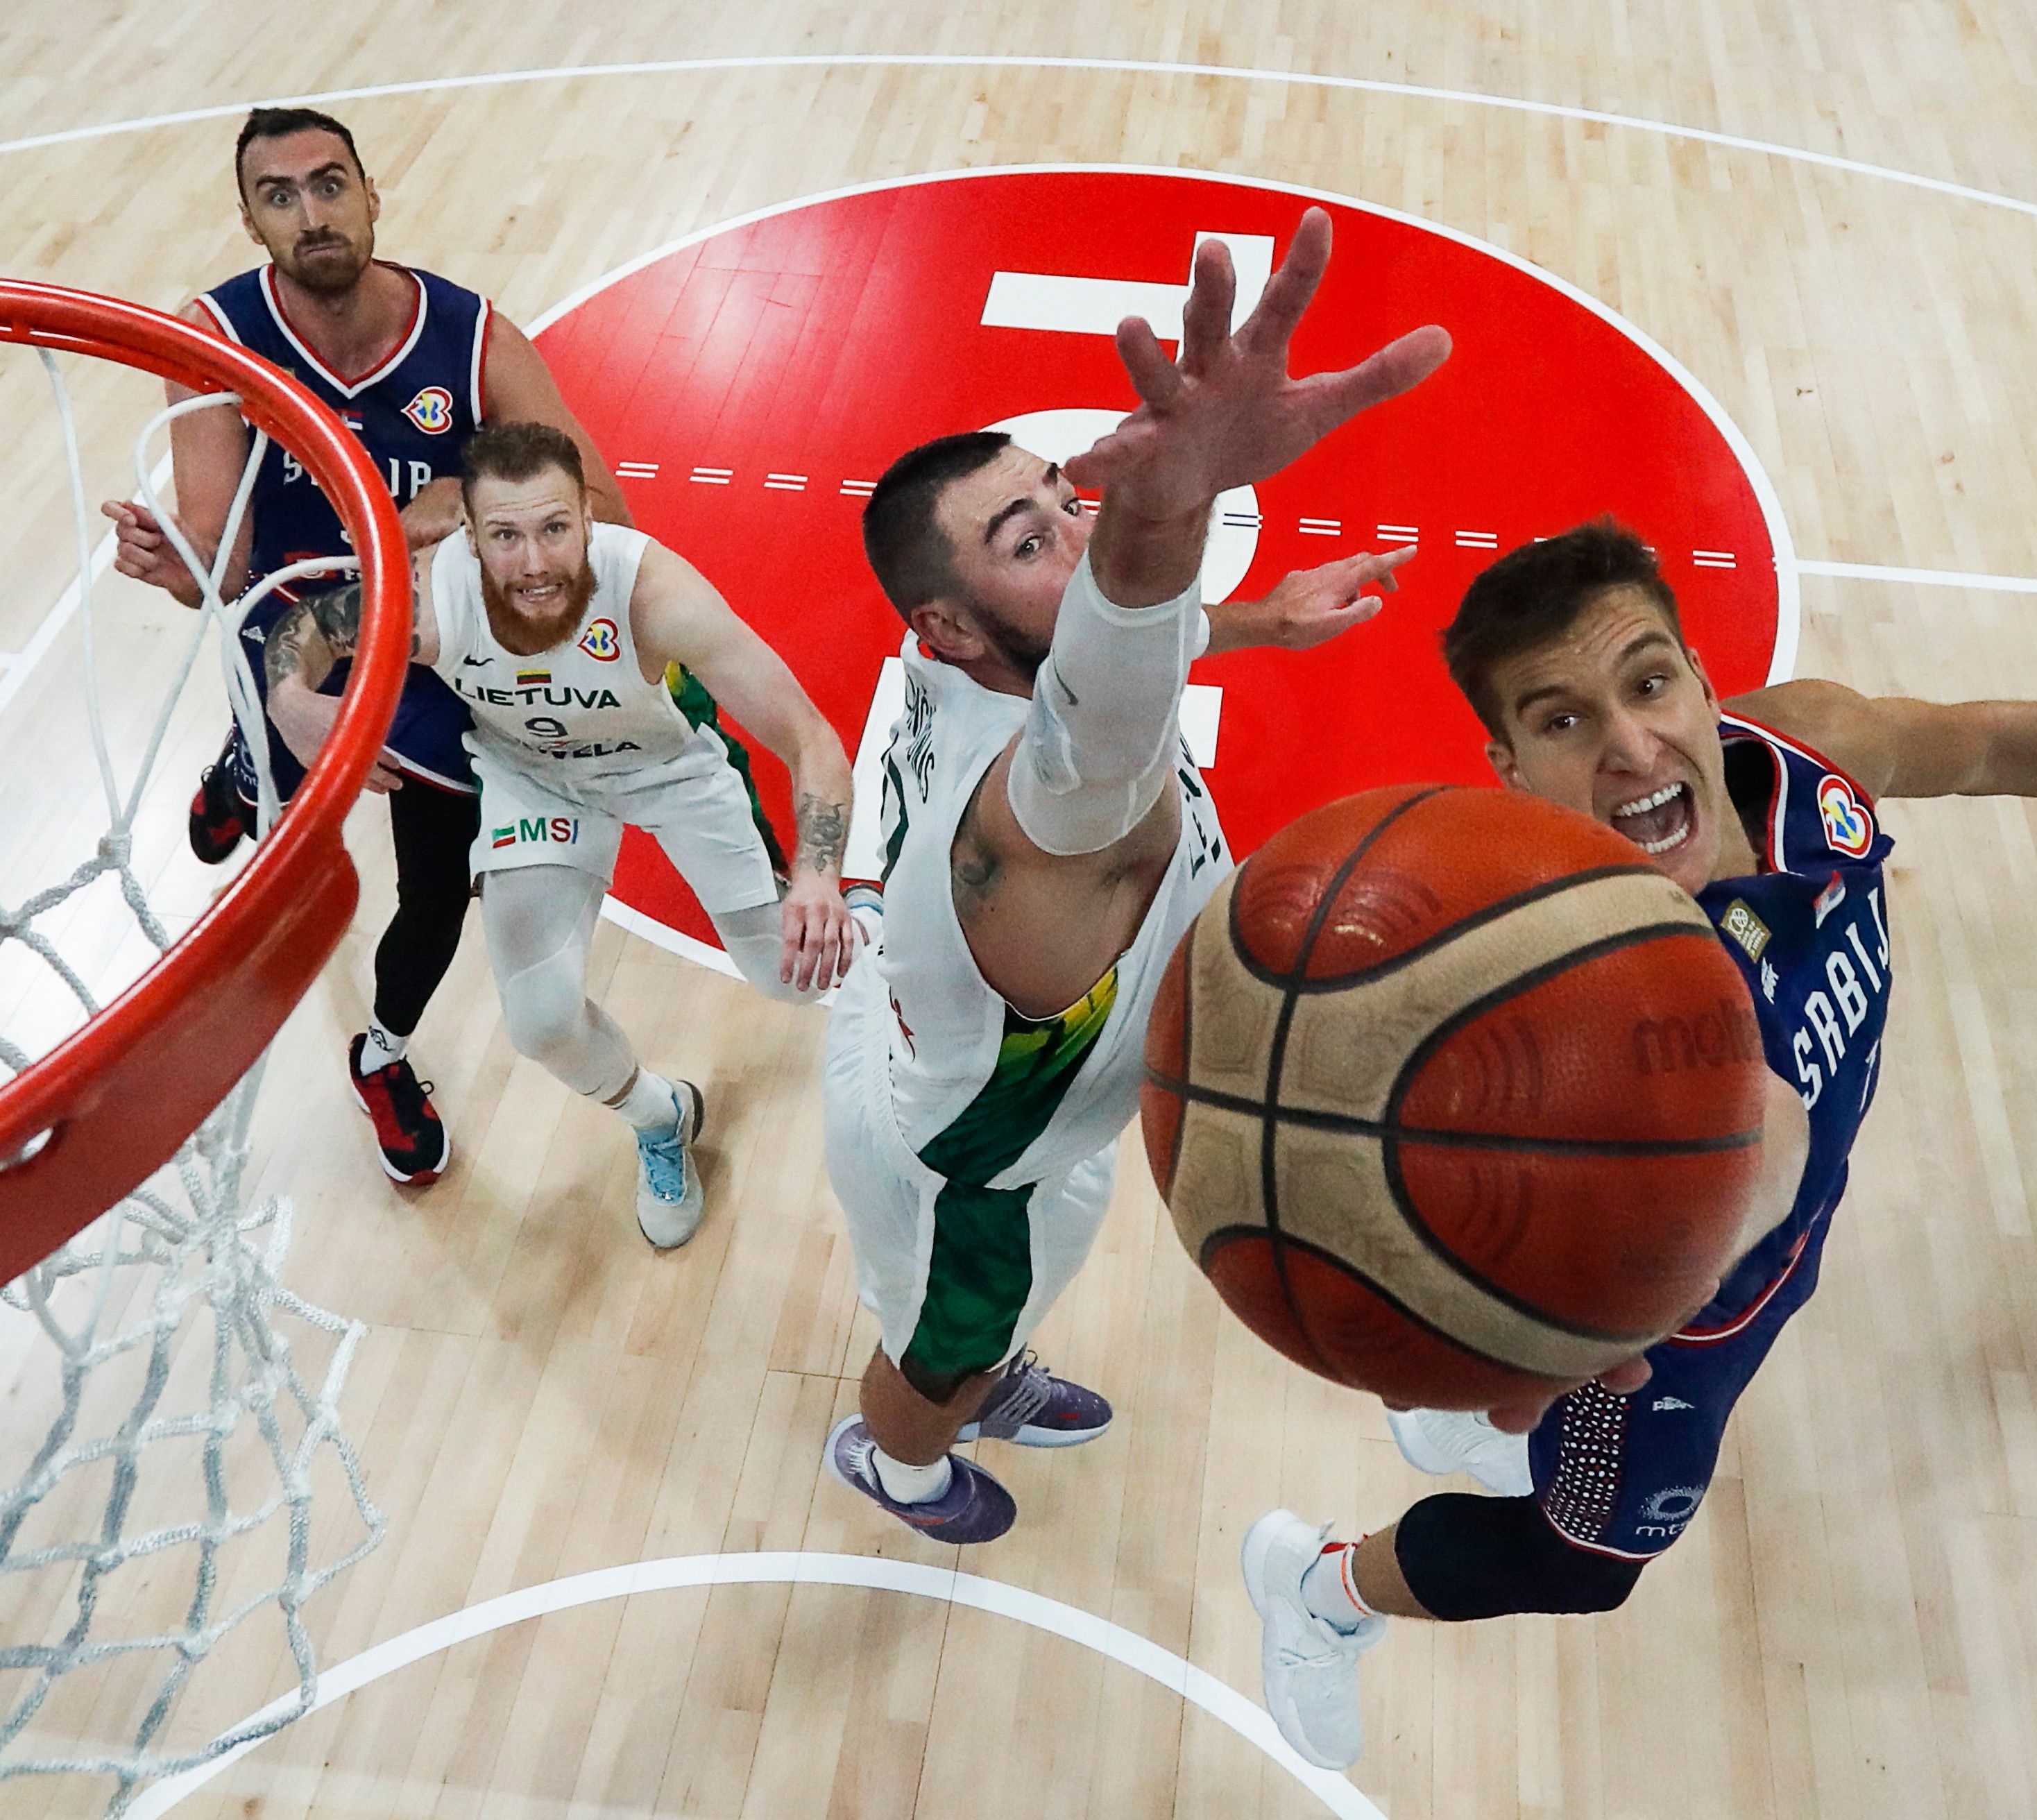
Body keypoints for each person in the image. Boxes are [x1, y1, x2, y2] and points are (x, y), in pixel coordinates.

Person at [1238, 518, 2037, 1771]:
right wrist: (1500, 1329)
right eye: (1562, 723)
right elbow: (1738, 1156)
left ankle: (1486, 1431)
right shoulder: (1541, 981)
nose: (1628, 744)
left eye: (1650, 681)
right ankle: (1321, 1587)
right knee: (1583, 1561)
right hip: (1652, 1337)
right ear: (1506, 763)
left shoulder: (1806, 751)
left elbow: (1990, 742)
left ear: (1704, 682)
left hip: (1773, 1246)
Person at [818, 208, 1447, 1544]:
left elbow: (1113, 652)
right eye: (1025, 539)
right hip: (959, 1166)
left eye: (1067, 496)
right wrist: (1174, 497)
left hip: (1005, 1077)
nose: (1076, 537)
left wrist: (1263, 619)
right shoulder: (1047, 802)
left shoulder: (977, 658)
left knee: (1064, 1231)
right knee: (938, 1345)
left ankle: (993, 1367)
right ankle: (902, 1459)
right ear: (943, 620)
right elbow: (1110, 679)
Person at [102, 105, 773, 1189]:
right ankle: (245, 765)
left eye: (330, 184)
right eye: (281, 196)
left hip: (431, 653)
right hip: (294, 643)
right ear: (250, 219)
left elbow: (610, 514)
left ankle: (385, 1052)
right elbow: (224, 571)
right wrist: (175, 566)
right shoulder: (215, 341)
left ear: (374, 194)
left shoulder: (471, 339)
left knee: (431, 884)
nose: (312, 213)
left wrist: (473, 495)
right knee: (275, 751)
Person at [263, 422, 858, 1248]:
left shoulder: (654, 595)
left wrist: (820, 874)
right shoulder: (433, 597)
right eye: (504, 536)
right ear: (468, 537)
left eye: (553, 529)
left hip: (668, 770)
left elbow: (810, 739)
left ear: (588, 514)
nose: (534, 562)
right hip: (534, 779)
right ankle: (661, 1118)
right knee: (539, 1021)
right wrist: (291, 702)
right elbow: (306, 631)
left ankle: (903, 933)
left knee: (792, 977)